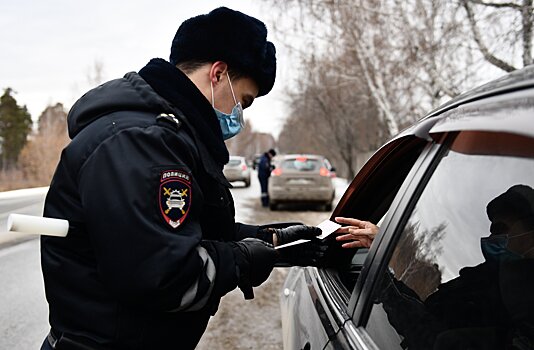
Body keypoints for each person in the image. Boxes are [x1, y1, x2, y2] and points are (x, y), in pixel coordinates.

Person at [40, 7, 322, 350]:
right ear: (218, 74)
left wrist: (268, 239)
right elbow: (164, 276)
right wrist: (241, 260)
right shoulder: (141, 142)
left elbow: (182, 230)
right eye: (243, 101)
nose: (240, 116)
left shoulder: (171, 137)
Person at [334, 185, 534, 349]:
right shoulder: (476, 282)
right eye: (492, 230)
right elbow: (425, 319)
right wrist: (387, 249)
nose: (491, 239)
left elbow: (428, 338)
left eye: (500, 230)